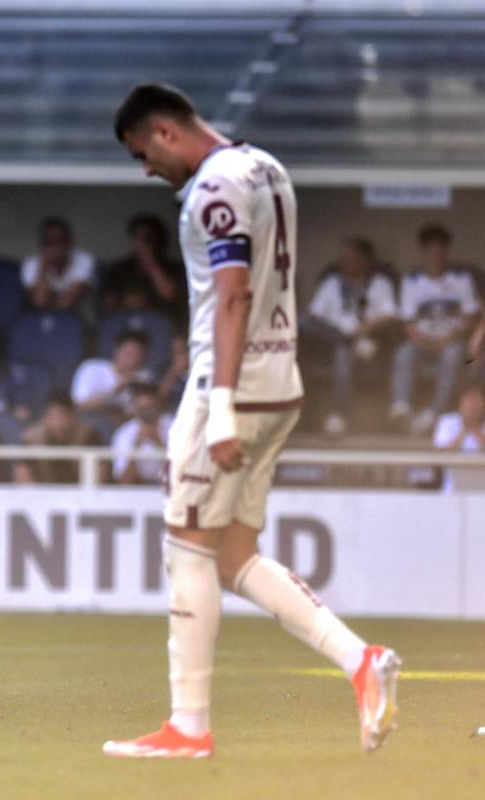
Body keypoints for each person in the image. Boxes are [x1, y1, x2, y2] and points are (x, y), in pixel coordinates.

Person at [103, 82, 399, 759]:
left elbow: (232, 297)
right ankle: (363, 661)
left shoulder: (213, 189)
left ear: (165, 132)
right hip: (281, 382)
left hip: (226, 389)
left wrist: (223, 406)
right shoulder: (266, 167)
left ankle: (188, 726)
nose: (146, 169)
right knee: (232, 554)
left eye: (141, 153)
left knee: (185, 547)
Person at [391, 224, 480, 435]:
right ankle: (401, 406)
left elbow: (471, 317)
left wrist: (449, 337)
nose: (435, 256)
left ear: (447, 251)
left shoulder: (461, 279)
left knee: (452, 355)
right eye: (431, 250)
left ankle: (436, 412)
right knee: (405, 353)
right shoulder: (412, 280)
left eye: (440, 251)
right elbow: (408, 323)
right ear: (423, 252)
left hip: (452, 340)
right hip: (421, 341)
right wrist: (427, 341)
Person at [304, 238, 398, 436]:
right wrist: (343, 335)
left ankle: (339, 413)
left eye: (352, 258)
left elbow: (390, 315)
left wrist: (362, 329)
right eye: (343, 259)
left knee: (344, 350)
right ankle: (346, 341)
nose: (345, 263)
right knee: (306, 323)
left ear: (366, 260)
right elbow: (314, 315)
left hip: (370, 345)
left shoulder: (379, 283)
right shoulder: (332, 282)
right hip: (333, 342)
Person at [100, 214, 187, 326]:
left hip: (161, 324)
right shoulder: (118, 269)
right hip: (125, 325)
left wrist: (150, 261)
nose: (142, 243)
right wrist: (126, 302)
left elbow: (169, 294)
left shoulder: (174, 267)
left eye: (147, 238)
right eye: (138, 238)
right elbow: (107, 304)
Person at [70, 329, 150, 439]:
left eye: (137, 354)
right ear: (116, 350)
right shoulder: (92, 368)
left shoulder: (144, 378)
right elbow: (79, 404)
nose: (132, 358)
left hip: (125, 427)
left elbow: (142, 412)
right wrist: (115, 391)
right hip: (91, 422)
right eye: (128, 352)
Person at [14, 392, 97, 485]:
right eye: (53, 416)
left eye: (62, 416)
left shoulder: (89, 435)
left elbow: (99, 476)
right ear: (45, 417)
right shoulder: (31, 438)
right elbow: (22, 476)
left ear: (73, 416)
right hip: (41, 495)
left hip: (80, 495)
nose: (57, 423)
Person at [21, 217, 95, 312]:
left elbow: (69, 302)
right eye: (49, 242)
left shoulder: (84, 260)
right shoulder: (30, 264)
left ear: (69, 242)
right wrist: (44, 264)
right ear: (42, 244)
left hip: (78, 316)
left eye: (60, 241)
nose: (55, 247)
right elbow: (40, 302)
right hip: (43, 317)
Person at [109, 377, 172, 485]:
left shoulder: (174, 425)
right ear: (133, 405)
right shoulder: (124, 433)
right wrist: (136, 448)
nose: (147, 411)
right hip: (137, 490)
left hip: (170, 490)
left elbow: (181, 475)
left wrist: (159, 444)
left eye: (150, 406)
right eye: (143, 407)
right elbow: (123, 481)